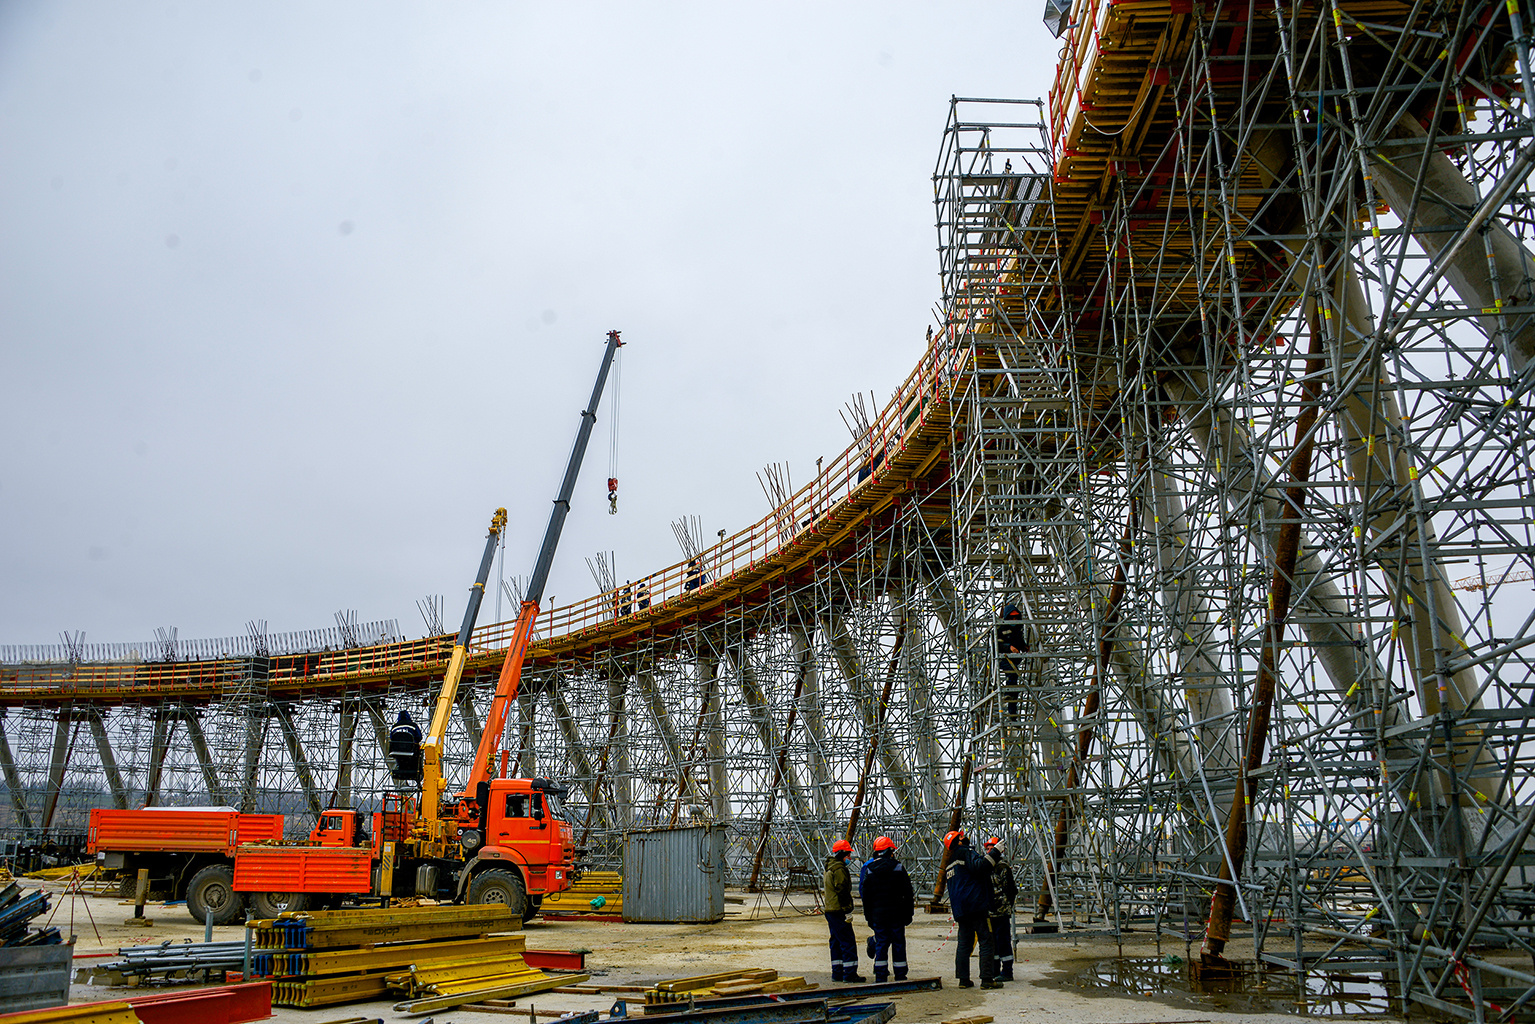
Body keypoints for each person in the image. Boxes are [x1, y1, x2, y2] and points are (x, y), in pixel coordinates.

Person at [943, 829, 1000, 989]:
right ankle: (987, 979)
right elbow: (981, 866)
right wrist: (995, 852)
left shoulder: (950, 863)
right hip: (975, 905)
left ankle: (963, 980)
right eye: (961, 836)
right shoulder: (966, 852)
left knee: (964, 943)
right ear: (959, 840)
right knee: (986, 940)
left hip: (961, 910)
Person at [858, 835, 913, 982]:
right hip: (896, 914)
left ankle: (880, 975)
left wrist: (868, 917)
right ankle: (900, 975)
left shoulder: (869, 870)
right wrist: (909, 914)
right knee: (898, 943)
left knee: (881, 943)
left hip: (878, 914)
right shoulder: (899, 868)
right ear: (890, 851)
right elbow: (908, 893)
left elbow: (866, 897)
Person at [823, 839, 864, 983]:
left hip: (830, 910)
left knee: (835, 941)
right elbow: (842, 891)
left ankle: (837, 973)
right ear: (842, 854)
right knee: (847, 941)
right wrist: (847, 909)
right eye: (848, 855)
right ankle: (850, 974)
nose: (850, 858)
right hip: (838, 910)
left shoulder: (830, 867)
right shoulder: (839, 869)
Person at [984, 836, 1018, 981]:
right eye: (988, 849)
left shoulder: (1002, 868)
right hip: (990, 912)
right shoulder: (985, 867)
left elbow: (1011, 890)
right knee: (993, 944)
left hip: (1002, 912)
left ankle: (1007, 972)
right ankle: (995, 970)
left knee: (1003, 941)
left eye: (992, 849)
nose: (990, 851)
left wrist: (1005, 905)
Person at [997, 604, 1026, 718]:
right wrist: (1009, 647)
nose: (1014, 620)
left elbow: (1019, 642)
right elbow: (997, 645)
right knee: (1012, 674)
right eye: (1012, 617)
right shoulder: (1001, 629)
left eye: (1016, 617)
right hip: (1002, 658)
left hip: (1013, 659)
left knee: (1014, 686)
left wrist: (1024, 647)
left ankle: (1013, 715)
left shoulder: (1018, 629)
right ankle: (1008, 694)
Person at [387, 709, 423, 781]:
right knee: (418, 750)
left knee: (402, 758)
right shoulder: (413, 725)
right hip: (411, 751)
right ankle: (417, 770)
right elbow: (419, 737)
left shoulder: (394, 727)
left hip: (397, 751)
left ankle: (401, 768)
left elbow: (392, 738)